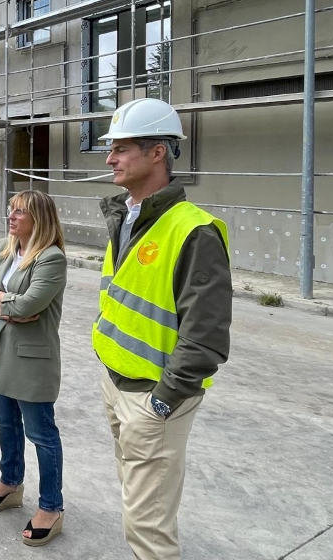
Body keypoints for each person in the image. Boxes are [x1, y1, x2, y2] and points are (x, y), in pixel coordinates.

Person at [93, 97, 232, 560]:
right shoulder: (128, 216)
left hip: (155, 397)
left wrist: (162, 402)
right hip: (118, 385)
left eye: (121, 149)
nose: (110, 158)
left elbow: (206, 336)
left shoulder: (193, 230)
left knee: (149, 528)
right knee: (137, 503)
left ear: (158, 153)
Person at [0, 190, 67, 546]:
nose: (11, 217)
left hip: (30, 359)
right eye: (10, 210)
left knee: (41, 433)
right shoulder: (5, 246)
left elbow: (31, 303)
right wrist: (3, 304)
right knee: (5, 423)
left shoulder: (51, 258)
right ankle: (10, 483)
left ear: (38, 219)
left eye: (19, 212)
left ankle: (51, 506)